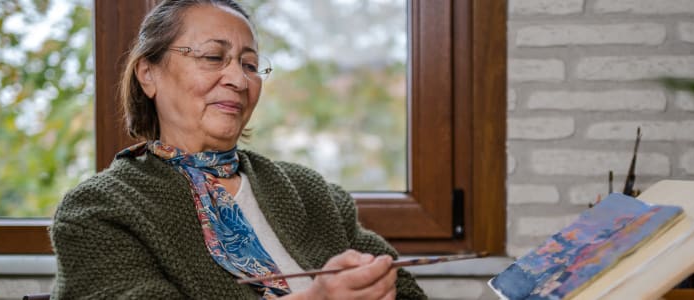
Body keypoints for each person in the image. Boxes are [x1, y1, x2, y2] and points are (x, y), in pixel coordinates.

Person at [49, 0, 426, 298]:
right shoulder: (98, 210)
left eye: (250, 64)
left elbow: (406, 292)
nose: (238, 79)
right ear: (148, 73)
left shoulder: (309, 193)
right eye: (213, 57)